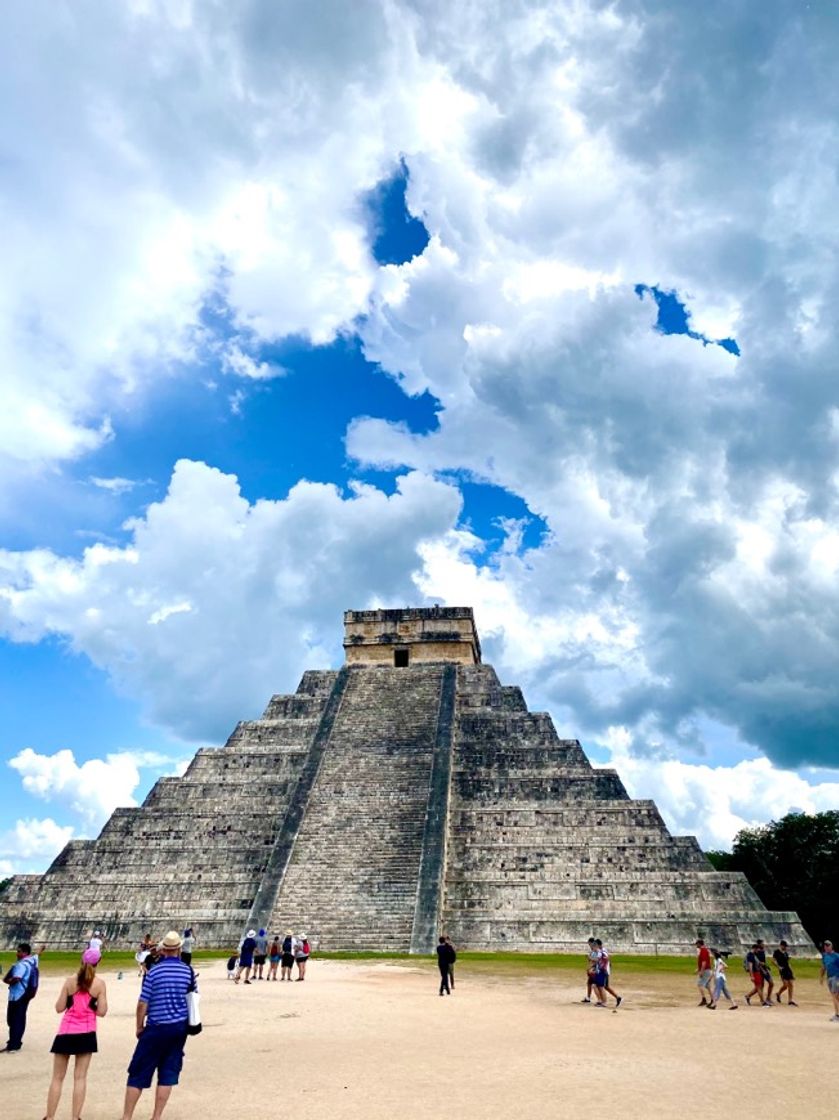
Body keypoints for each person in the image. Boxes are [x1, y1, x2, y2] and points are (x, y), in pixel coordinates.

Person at [121, 929, 197, 1120]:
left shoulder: (154, 972)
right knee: (167, 1073)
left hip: (155, 1027)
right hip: (178, 1029)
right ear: (179, 949)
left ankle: (127, 1116)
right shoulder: (188, 971)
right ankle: (156, 1116)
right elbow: (193, 999)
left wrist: (139, 1026)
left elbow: (142, 1003)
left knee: (138, 1072)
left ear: (163, 950)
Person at [44, 947, 108, 1120]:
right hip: (86, 1031)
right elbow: (102, 1011)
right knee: (80, 1078)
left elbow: (59, 1008)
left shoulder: (70, 981)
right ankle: (75, 1117)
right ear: (98, 962)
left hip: (66, 1031)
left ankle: (50, 1116)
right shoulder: (99, 984)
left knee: (57, 1078)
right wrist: (91, 1006)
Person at [2, 941, 36, 1052]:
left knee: (14, 1020)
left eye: (19, 951)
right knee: (19, 1019)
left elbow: (17, 978)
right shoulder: (32, 961)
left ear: (25, 953)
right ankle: (15, 1043)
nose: (17, 953)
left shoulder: (21, 964)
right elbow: (37, 956)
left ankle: (13, 1044)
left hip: (17, 995)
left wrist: (7, 980)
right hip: (25, 994)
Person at [595, 939, 622, 1007]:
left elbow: (606, 958)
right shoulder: (602, 951)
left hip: (602, 971)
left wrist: (603, 967)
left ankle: (604, 1002)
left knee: (600, 986)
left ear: (598, 944)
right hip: (602, 970)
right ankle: (617, 997)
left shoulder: (603, 951)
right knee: (605, 986)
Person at [819, 939, 839, 1022]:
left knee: (834, 996)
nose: (826, 947)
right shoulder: (824, 956)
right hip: (829, 977)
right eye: (825, 946)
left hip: (836, 977)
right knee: (836, 996)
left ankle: (837, 1015)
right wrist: (821, 977)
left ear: (831, 946)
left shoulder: (837, 956)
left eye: (828, 946)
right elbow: (823, 967)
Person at [744, 942, 770, 1006]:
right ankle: (762, 1001)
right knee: (759, 987)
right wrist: (752, 976)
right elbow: (750, 966)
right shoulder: (750, 955)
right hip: (755, 973)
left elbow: (758, 964)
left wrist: (763, 970)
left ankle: (747, 996)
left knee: (758, 987)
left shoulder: (754, 955)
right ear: (754, 949)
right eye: (757, 949)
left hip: (757, 972)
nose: (758, 950)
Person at [773, 940, 797, 1006]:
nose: (786, 947)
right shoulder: (776, 952)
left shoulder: (785, 953)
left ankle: (790, 1000)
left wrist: (792, 971)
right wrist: (778, 967)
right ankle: (778, 993)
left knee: (791, 984)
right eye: (785, 946)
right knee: (785, 985)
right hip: (782, 970)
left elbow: (788, 963)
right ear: (781, 945)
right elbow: (773, 961)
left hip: (788, 969)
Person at [754, 940, 774, 1004]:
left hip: (765, 969)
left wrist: (766, 966)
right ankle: (762, 1000)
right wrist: (762, 968)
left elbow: (763, 961)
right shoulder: (757, 952)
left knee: (771, 983)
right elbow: (758, 963)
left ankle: (768, 998)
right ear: (759, 944)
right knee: (761, 985)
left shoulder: (763, 951)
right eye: (762, 944)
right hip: (760, 970)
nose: (763, 945)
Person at [695, 939, 713, 1007]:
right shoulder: (704, 950)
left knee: (699, 984)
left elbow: (704, 962)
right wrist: (698, 969)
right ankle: (712, 1000)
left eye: (697, 944)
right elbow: (704, 962)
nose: (696, 945)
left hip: (706, 970)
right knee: (708, 986)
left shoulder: (703, 950)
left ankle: (704, 999)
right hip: (707, 970)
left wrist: (701, 971)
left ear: (700, 944)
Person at [582, 937, 599, 1003]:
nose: (590, 946)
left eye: (590, 944)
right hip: (591, 969)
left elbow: (597, 960)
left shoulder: (596, 951)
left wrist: (590, 958)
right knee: (589, 983)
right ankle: (588, 997)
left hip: (594, 970)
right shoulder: (592, 951)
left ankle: (599, 999)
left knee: (595, 985)